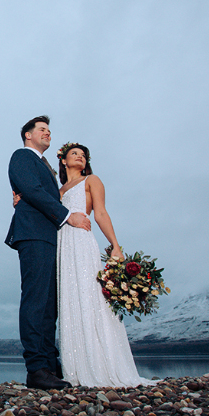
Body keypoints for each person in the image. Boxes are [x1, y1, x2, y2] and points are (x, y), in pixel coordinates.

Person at [55, 142, 157, 388]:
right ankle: (75, 367)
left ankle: (104, 364)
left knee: (90, 295)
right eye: (74, 154)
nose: (80, 157)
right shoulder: (57, 192)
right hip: (61, 245)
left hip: (81, 240)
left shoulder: (92, 181)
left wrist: (116, 246)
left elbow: (100, 212)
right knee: (70, 298)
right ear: (64, 161)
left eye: (83, 155)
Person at [6, 116, 91, 390]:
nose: (48, 134)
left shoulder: (46, 168)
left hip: (50, 238)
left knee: (49, 304)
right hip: (33, 234)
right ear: (28, 135)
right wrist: (68, 216)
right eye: (42, 130)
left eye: (50, 131)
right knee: (35, 299)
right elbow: (30, 189)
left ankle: (50, 364)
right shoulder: (22, 156)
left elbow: (38, 193)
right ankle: (36, 368)